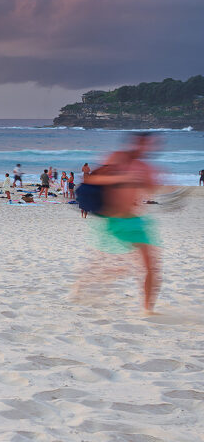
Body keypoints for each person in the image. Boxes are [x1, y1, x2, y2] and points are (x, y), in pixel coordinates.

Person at [74, 133, 163, 314]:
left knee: (151, 266)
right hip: (113, 219)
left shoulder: (144, 167)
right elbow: (91, 179)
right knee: (109, 267)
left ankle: (147, 310)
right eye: (144, 144)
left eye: (151, 146)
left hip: (135, 220)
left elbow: (151, 188)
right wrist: (121, 179)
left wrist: (150, 182)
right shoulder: (117, 159)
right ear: (136, 142)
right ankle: (80, 289)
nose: (147, 149)